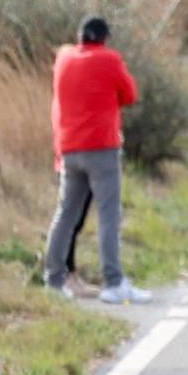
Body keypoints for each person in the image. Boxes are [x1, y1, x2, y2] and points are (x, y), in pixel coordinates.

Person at [43, 16, 150, 304]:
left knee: (65, 214)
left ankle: (53, 280)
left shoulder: (64, 58)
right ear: (104, 38)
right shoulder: (108, 59)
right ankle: (113, 282)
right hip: (101, 148)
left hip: (68, 148)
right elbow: (129, 93)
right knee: (108, 215)